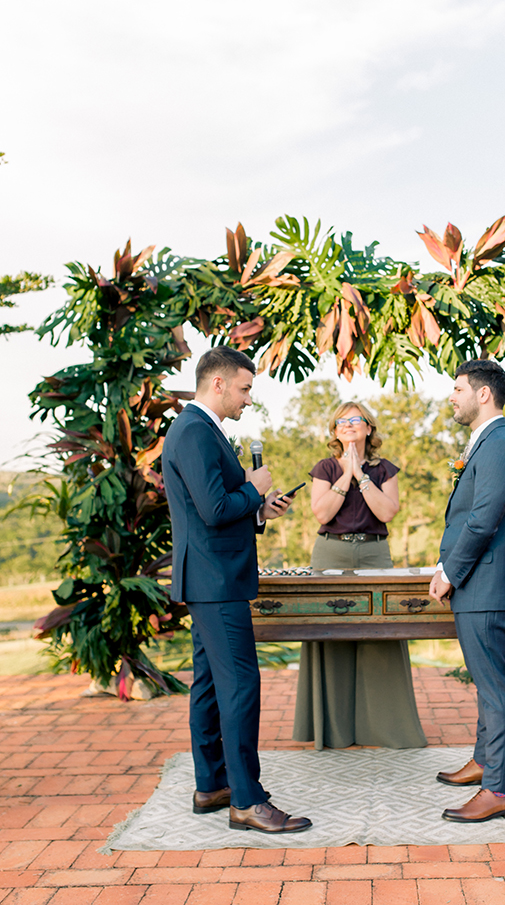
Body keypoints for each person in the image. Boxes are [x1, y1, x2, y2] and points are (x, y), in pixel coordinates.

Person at [162, 345, 312, 833]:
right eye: (245, 389)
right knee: (240, 686)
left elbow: (220, 509)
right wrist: (253, 486)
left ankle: (212, 785)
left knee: (208, 684)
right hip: (216, 580)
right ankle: (247, 800)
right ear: (219, 383)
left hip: (210, 576)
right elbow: (213, 510)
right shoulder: (195, 431)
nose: (249, 399)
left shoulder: (201, 430)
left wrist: (257, 509)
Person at [292, 401, 426, 750]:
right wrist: (346, 474)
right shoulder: (324, 467)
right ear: (334, 431)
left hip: (374, 552)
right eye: (342, 421)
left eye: (356, 420)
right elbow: (322, 513)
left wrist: (362, 475)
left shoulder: (385, 470)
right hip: (330, 551)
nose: (349, 425)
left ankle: (384, 729)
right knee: (330, 633)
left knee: (382, 631)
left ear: (369, 428)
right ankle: (334, 731)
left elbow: (387, 511)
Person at [430, 359, 505, 823]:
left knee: (494, 690)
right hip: (477, 581)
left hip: (487, 584)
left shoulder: (500, 446)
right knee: (488, 685)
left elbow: (482, 519)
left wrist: (450, 572)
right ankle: (485, 761)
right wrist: (445, 564)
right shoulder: (486, 441)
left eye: (458, 388)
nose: (452, 396)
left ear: (483, 394)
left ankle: (500, 791)